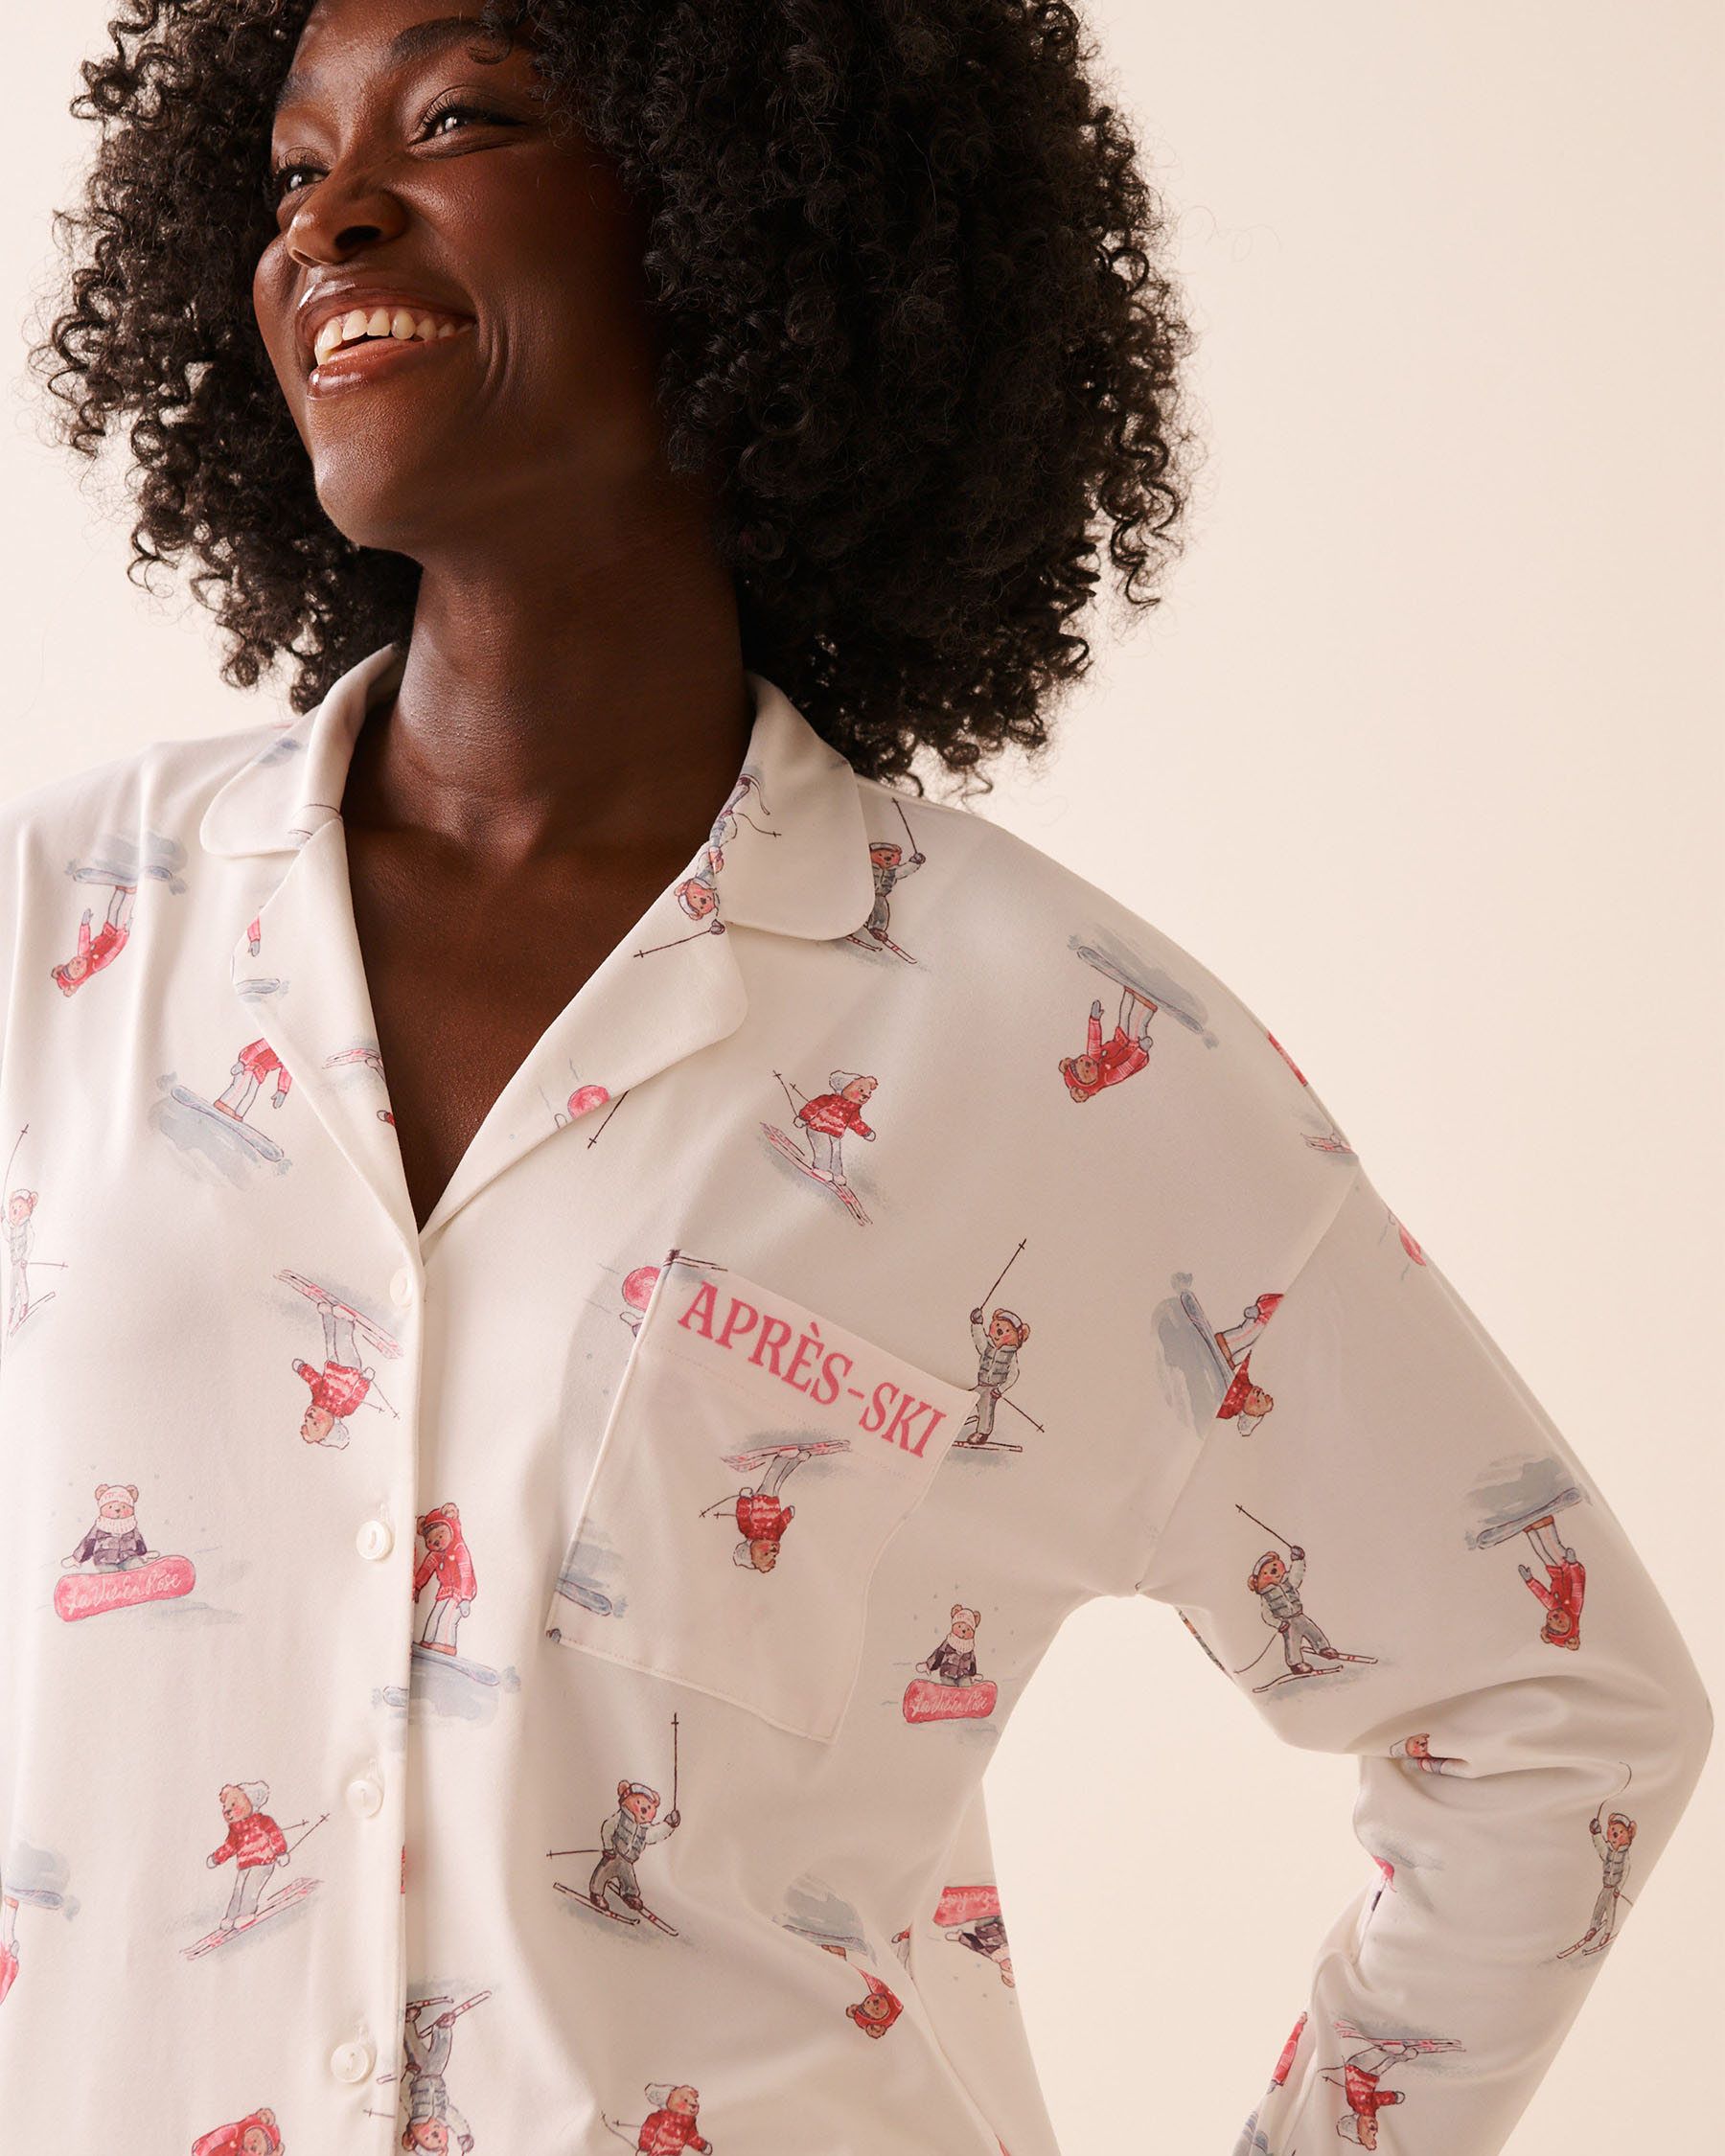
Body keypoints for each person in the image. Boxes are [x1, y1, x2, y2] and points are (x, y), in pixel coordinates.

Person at [0, 2, 1707, 2151]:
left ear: (736, 217)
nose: (329, 218)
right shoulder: (60, 933)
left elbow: (1560, 1712)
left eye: (458, 118)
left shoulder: (1046, 1042)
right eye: (285, 171)